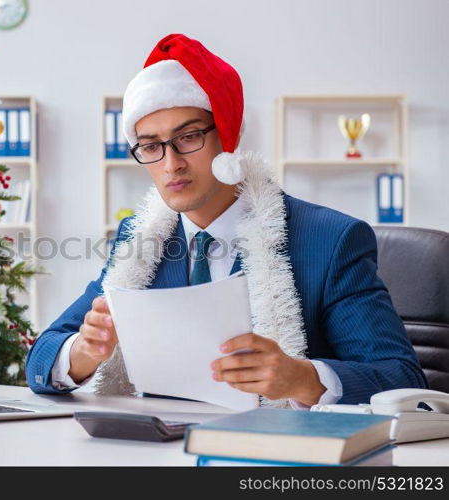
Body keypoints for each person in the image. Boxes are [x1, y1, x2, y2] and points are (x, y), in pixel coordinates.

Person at [25, 33, 427, 407]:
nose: (171, 164)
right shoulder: (139, 239)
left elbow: (404, 382)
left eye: (187, 137)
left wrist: (303, 379)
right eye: (150, 146)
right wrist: (82, 352)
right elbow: (42, 357)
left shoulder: (332, 240)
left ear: (227, 136)